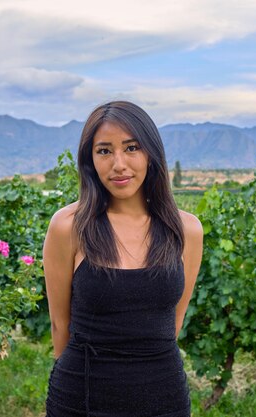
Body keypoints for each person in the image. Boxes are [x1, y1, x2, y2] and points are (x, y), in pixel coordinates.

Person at [43, 101, 203, 416]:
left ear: (151, 154)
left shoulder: (186, 230)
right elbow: (60, 325)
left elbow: (173, 322)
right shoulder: (68, 227)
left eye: (131, 148)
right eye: (104, 151)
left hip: (163, 398)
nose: (119, 164)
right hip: (82, 399)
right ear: (89, 160)